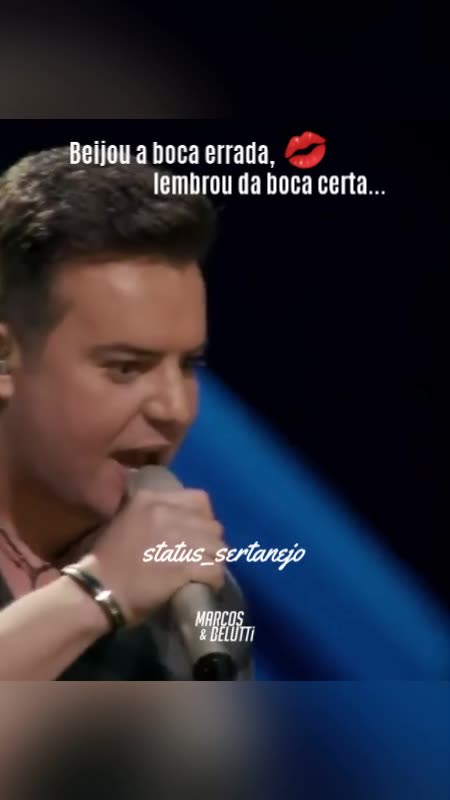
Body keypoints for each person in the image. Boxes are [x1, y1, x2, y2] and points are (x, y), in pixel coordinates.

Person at [0, 145, 251, 680]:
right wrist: (98, 593)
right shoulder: (119, 584)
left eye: (188, 365)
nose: (174, 409)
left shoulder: (204, 601)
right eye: (126, 368)